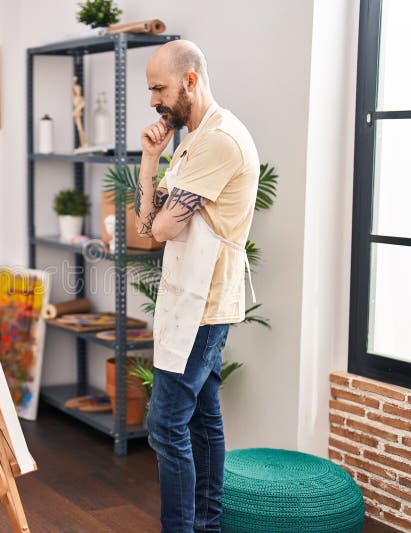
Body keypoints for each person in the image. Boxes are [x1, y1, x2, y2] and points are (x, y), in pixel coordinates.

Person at [135, 40, 259, 532]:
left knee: (166, 426)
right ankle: (207, 526)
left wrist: (158, 210)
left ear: (191, 81)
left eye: (158, 88)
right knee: (203, 424)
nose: (152, 101)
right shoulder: (191, 139)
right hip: (188, 301)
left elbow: (161, 228)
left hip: (204, 307)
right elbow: (147, 230)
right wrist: (149, 162)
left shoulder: (220, 141)